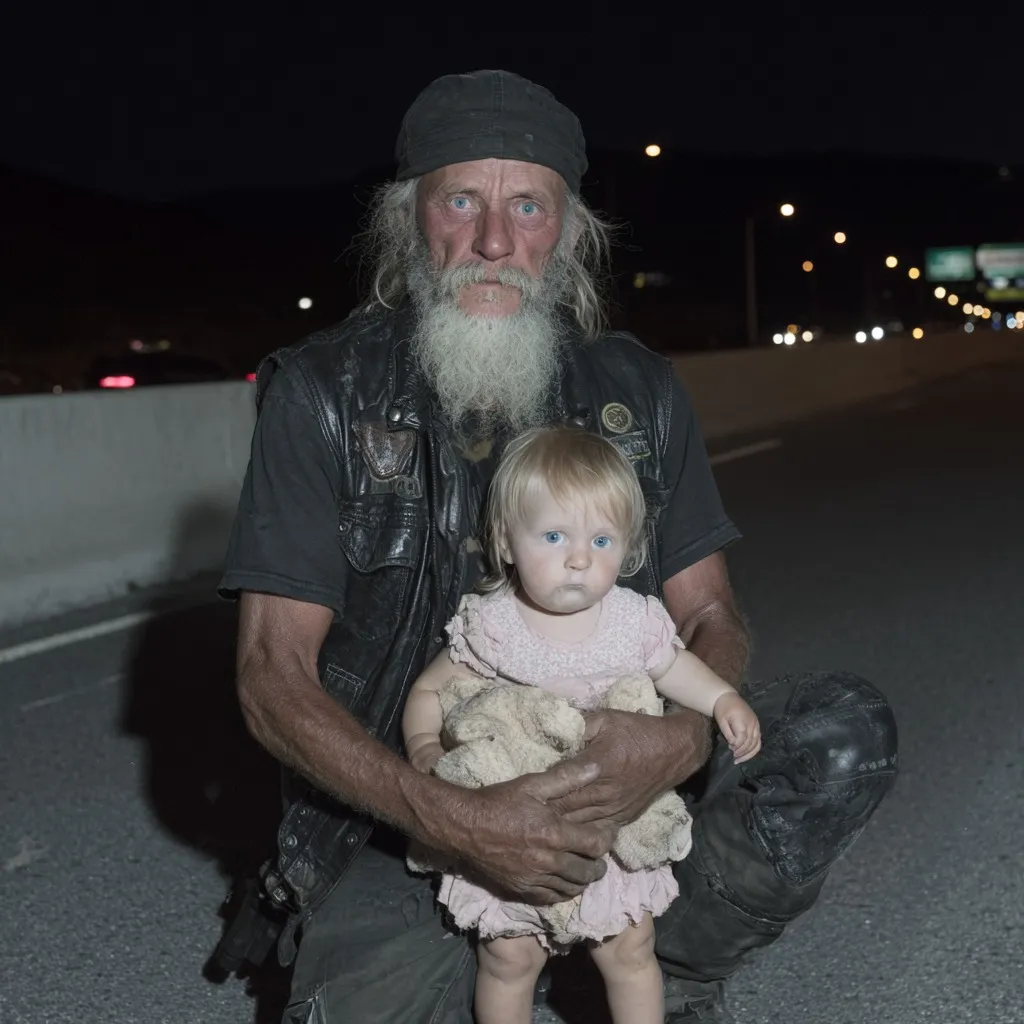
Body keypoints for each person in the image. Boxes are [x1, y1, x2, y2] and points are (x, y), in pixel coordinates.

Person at [218, 69, 899, 1024]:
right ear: (409, 219)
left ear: (568, 232)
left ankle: (658, 967)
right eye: (462, 199)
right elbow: (269, 674)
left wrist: (678, 737)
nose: (494, 242)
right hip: (407, 823)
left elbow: (710, 614)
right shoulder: (321, 394)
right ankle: (518, 959)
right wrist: (450, 814)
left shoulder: (640, 391)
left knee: (842, 735)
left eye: (528, 206)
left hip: (623, 778)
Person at [402, 425, 762, 1024]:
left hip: (610, 822)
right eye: (553, 536)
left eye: (602, 539)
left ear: (628, 547)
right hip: (517, 817)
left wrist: (723, 698)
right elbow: (432, 688)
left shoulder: (631, 620)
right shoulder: (493, 624)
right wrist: (420, 749)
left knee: (630, 947)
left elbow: (676, 668)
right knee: (509, 956)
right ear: (506, 542)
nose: (579, 558)